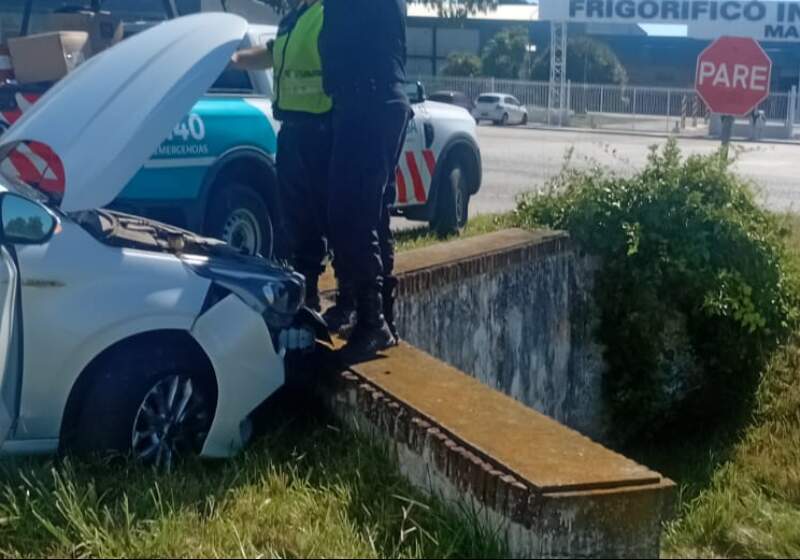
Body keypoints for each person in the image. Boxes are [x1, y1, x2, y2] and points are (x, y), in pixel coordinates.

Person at [319, 0, 410, 362]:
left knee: (351, 213)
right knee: (368, 213)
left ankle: (374, 323)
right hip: (367, 100)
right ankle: (378, 317)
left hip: (370, 101)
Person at [231, 0, 331, 310]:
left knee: (317, 214)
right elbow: (271, 54)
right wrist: (232, 58)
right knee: (294, 213)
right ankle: (302, 287)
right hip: (291, 128)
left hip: (320, 127)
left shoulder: (327, 13)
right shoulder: (293, 19)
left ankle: (321, 290)